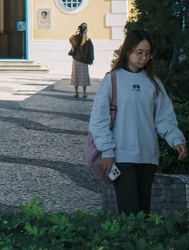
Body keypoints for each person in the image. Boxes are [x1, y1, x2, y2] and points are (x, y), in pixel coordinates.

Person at [88, 28, 186, 215]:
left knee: (143, 212)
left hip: (148, 157)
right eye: (139, 52)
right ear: (127, 51)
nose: (144, 58)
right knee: (130, 213)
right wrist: (107, 151)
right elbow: (99, 119)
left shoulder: (153, 83)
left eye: (147, 53)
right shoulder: (112, 79)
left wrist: (176, 139)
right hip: (121, 156)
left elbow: (164, 117)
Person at [69, 22, 94, 98]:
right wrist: (76, 32)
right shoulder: (77, 38)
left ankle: (82, 92)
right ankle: (78, 92)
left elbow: (90, 50)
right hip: (78, 59)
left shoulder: (87, 39)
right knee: (77, 76)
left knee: (81, 76)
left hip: (81, 60)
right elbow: (71, 39)